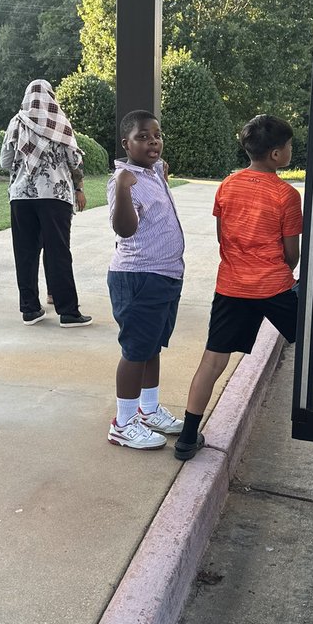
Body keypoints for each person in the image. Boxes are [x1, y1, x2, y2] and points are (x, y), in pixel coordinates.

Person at [176, 115, 303, 461]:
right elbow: (292, 253)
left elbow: (223, 237)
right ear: (276, 155)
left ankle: (187, 438)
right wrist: (280, 273)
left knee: (213, 359)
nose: (292, 150)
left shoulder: (227, 185)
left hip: (231, 287)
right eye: (289, 145)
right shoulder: (287, 195)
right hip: (275, 286)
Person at [106, 111, 185, 450]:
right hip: (139, 276)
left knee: (152, 347)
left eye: (157, 134)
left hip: (164, 275)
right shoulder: (124, 179)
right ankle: (123, 423)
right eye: (142, 136)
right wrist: (124, 188)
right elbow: (124, 228)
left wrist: (159, 171)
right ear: (126, 144)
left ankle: (148, 409)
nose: (152, 141)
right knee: (136, 350)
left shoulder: (152, 172)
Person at [0, 79, 92, 327]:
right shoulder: (59, 121)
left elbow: (5, 161)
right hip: (55, 195)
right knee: (58, 251)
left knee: (25, 253)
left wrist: (24, 170)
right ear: (51, 96)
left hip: (21, 197)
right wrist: (78, 186)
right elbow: (75, 162)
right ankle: (68, 312)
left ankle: (30, 309)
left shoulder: (16, 122)